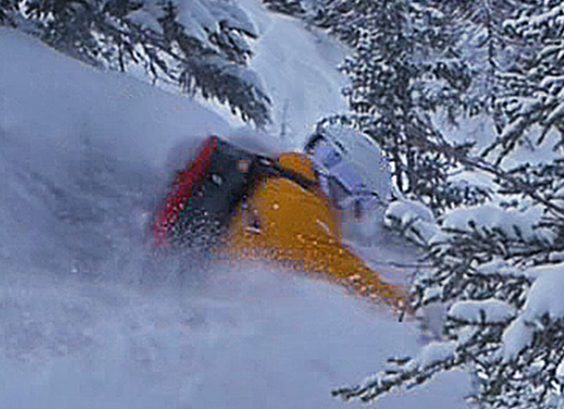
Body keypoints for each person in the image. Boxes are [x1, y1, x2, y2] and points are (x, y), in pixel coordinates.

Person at [151, 119, 409, 311]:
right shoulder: (294, 204)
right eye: (360, 202)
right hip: (197, 300)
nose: (355, 214)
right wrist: (407, 308)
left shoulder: (283, 177)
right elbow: (342, 272)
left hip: (207, 291)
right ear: (343, 180)